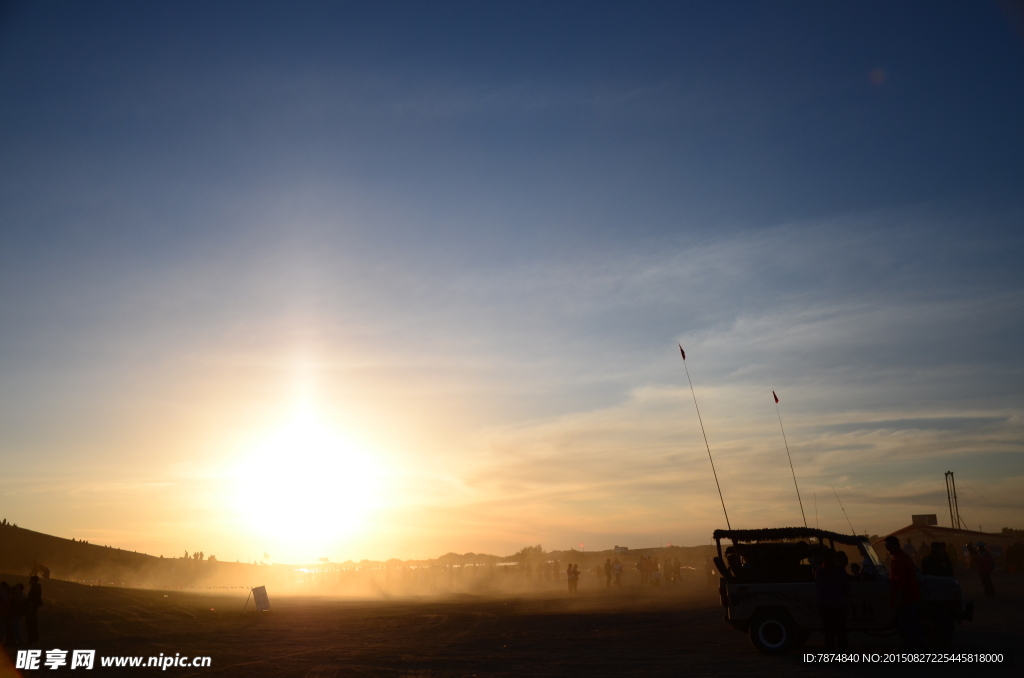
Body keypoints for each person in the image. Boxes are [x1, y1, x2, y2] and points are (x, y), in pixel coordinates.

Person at [885, 535, 922, 649]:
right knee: (909, 625)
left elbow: (901, 580)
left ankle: (913, 650)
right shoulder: (901, 557)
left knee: (906, 627)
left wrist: (898, 597)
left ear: (895, 545)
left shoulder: (900, 560)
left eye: (888, 546)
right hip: (909, 598)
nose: (887, 549)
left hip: (906, 599)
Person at [815, 549, 851, 651]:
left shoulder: (819, 571)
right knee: (841, 633)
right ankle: (843, 657)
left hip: (823, 605)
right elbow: (847, 587)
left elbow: (818, 587)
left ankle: (831, 656)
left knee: (829, 632)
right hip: (838, 605)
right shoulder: (839, 571)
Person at [26, 576, 42, 644]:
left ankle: (32, 639)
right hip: (33, 607)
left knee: (31, 623)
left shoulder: (35, 588)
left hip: (32, 608)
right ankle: (33, 638)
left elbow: (33, 599)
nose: (30, 581)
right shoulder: (36, 588)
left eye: (31, 580)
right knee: (33, 623)